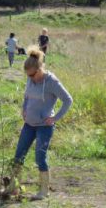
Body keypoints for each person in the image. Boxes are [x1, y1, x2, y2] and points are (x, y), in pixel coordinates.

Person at [6, 49, 72, 200]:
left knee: (40, 157)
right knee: (18, 155)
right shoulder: (31, 79)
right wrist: (24, 108)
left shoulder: (52, 82)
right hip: (29, 124)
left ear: (40, 69)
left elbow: (68, 100)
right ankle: (14, 187)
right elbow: (27, 95)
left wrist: (55, 118)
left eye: (32, 75)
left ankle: (43, 190)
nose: (30, 78)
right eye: (27, 75)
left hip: (44, 126)